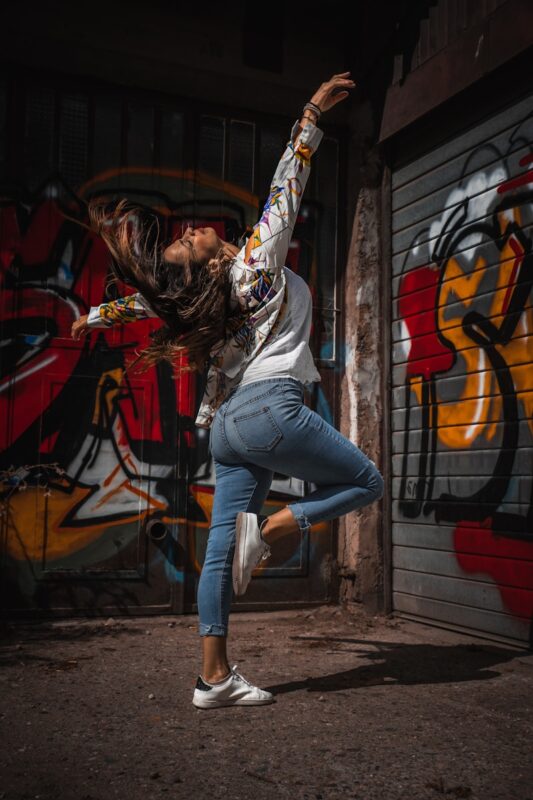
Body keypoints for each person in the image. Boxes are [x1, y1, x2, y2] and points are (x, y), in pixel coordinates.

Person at [71, 71, 384, 710]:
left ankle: (212, 679)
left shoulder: (210, 296)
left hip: (231, 429)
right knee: (367, 482)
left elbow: (148, 302)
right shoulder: (253, 267)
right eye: (191, 240)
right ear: (217, 259)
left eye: (191, 234)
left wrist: (96, 318)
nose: (194, 231)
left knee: (218, 550)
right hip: (272, 410)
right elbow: (284, 188)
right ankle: (269, 531)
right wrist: (310, 117)